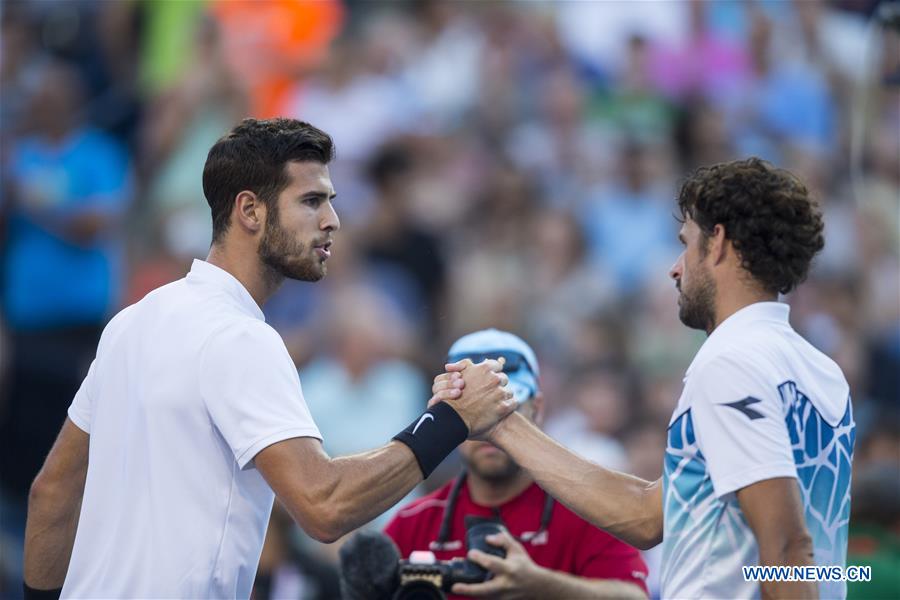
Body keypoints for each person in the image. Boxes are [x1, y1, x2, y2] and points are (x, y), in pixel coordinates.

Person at [22, 118, 516, 599]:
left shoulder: (131, 322)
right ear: (250, 211)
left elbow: (52, 490)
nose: (333, 220)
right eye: (311, 201)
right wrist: (451, 420)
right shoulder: (240, 338)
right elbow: (324, 503)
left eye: (330, 201)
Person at [438, 158, 854, 599]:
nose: (675, 268)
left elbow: (788, 548)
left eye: (684, 244)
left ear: (717, 244)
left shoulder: (732, 363)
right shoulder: (823, 371)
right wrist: (502, 422)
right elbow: (647, 517)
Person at [386, 328, 649, 599]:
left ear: (537, 408)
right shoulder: (412, 522)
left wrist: (543, 587)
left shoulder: (587, 509)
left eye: (505, 409)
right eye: (470, 414)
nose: (488, 428)